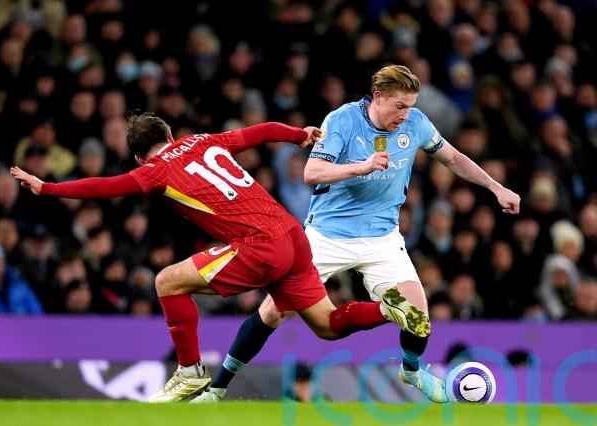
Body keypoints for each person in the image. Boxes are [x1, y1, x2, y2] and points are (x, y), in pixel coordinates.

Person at [194, 64, 520, 404]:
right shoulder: (343, 120)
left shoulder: (416, 123)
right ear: (378, 97)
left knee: (418, 318)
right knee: (273, 312)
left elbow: (453, 158)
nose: (406, 115)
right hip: (326, 237)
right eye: (400, 106)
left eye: (410, 106)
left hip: (382, 239)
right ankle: (217, 389)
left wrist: (496, 188)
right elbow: (312, 172)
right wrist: (361, 167)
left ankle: (411, 370)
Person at [10, 113, 390, 402]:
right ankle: (390, 310)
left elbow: (106, 186)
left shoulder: (154, 170)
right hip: (293, 234)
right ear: (170, 136)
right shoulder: (203, 141)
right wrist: (297, 134)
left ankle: (190, 370)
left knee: (167, 281)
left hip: (259, 243)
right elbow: (259, 132)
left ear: (140, 157)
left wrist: (48, 187)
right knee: (326, 324)